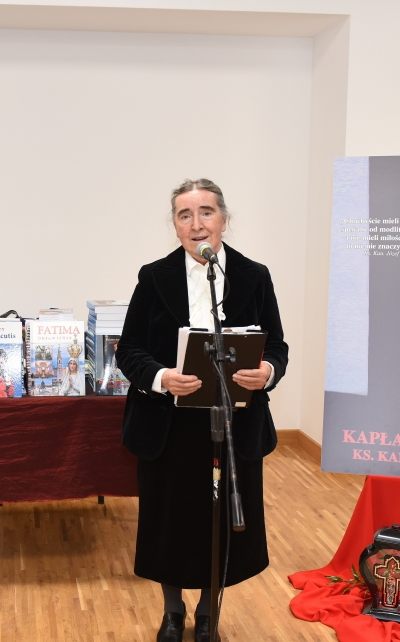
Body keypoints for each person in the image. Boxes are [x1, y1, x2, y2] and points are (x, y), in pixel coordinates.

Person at [116, 179, 287, 642]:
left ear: (224, 221)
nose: (197, 224)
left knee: (223, 520)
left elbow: (277, 345)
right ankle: (173, 612)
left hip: (234, 421)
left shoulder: (254, 275)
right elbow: (129, 350)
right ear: (175, 226)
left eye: (206, 213)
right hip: (169, 423)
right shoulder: (154, 277)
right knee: (171, 521)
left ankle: (209, 611)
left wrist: (267, 370)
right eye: (185, 215)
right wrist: (161, 377)